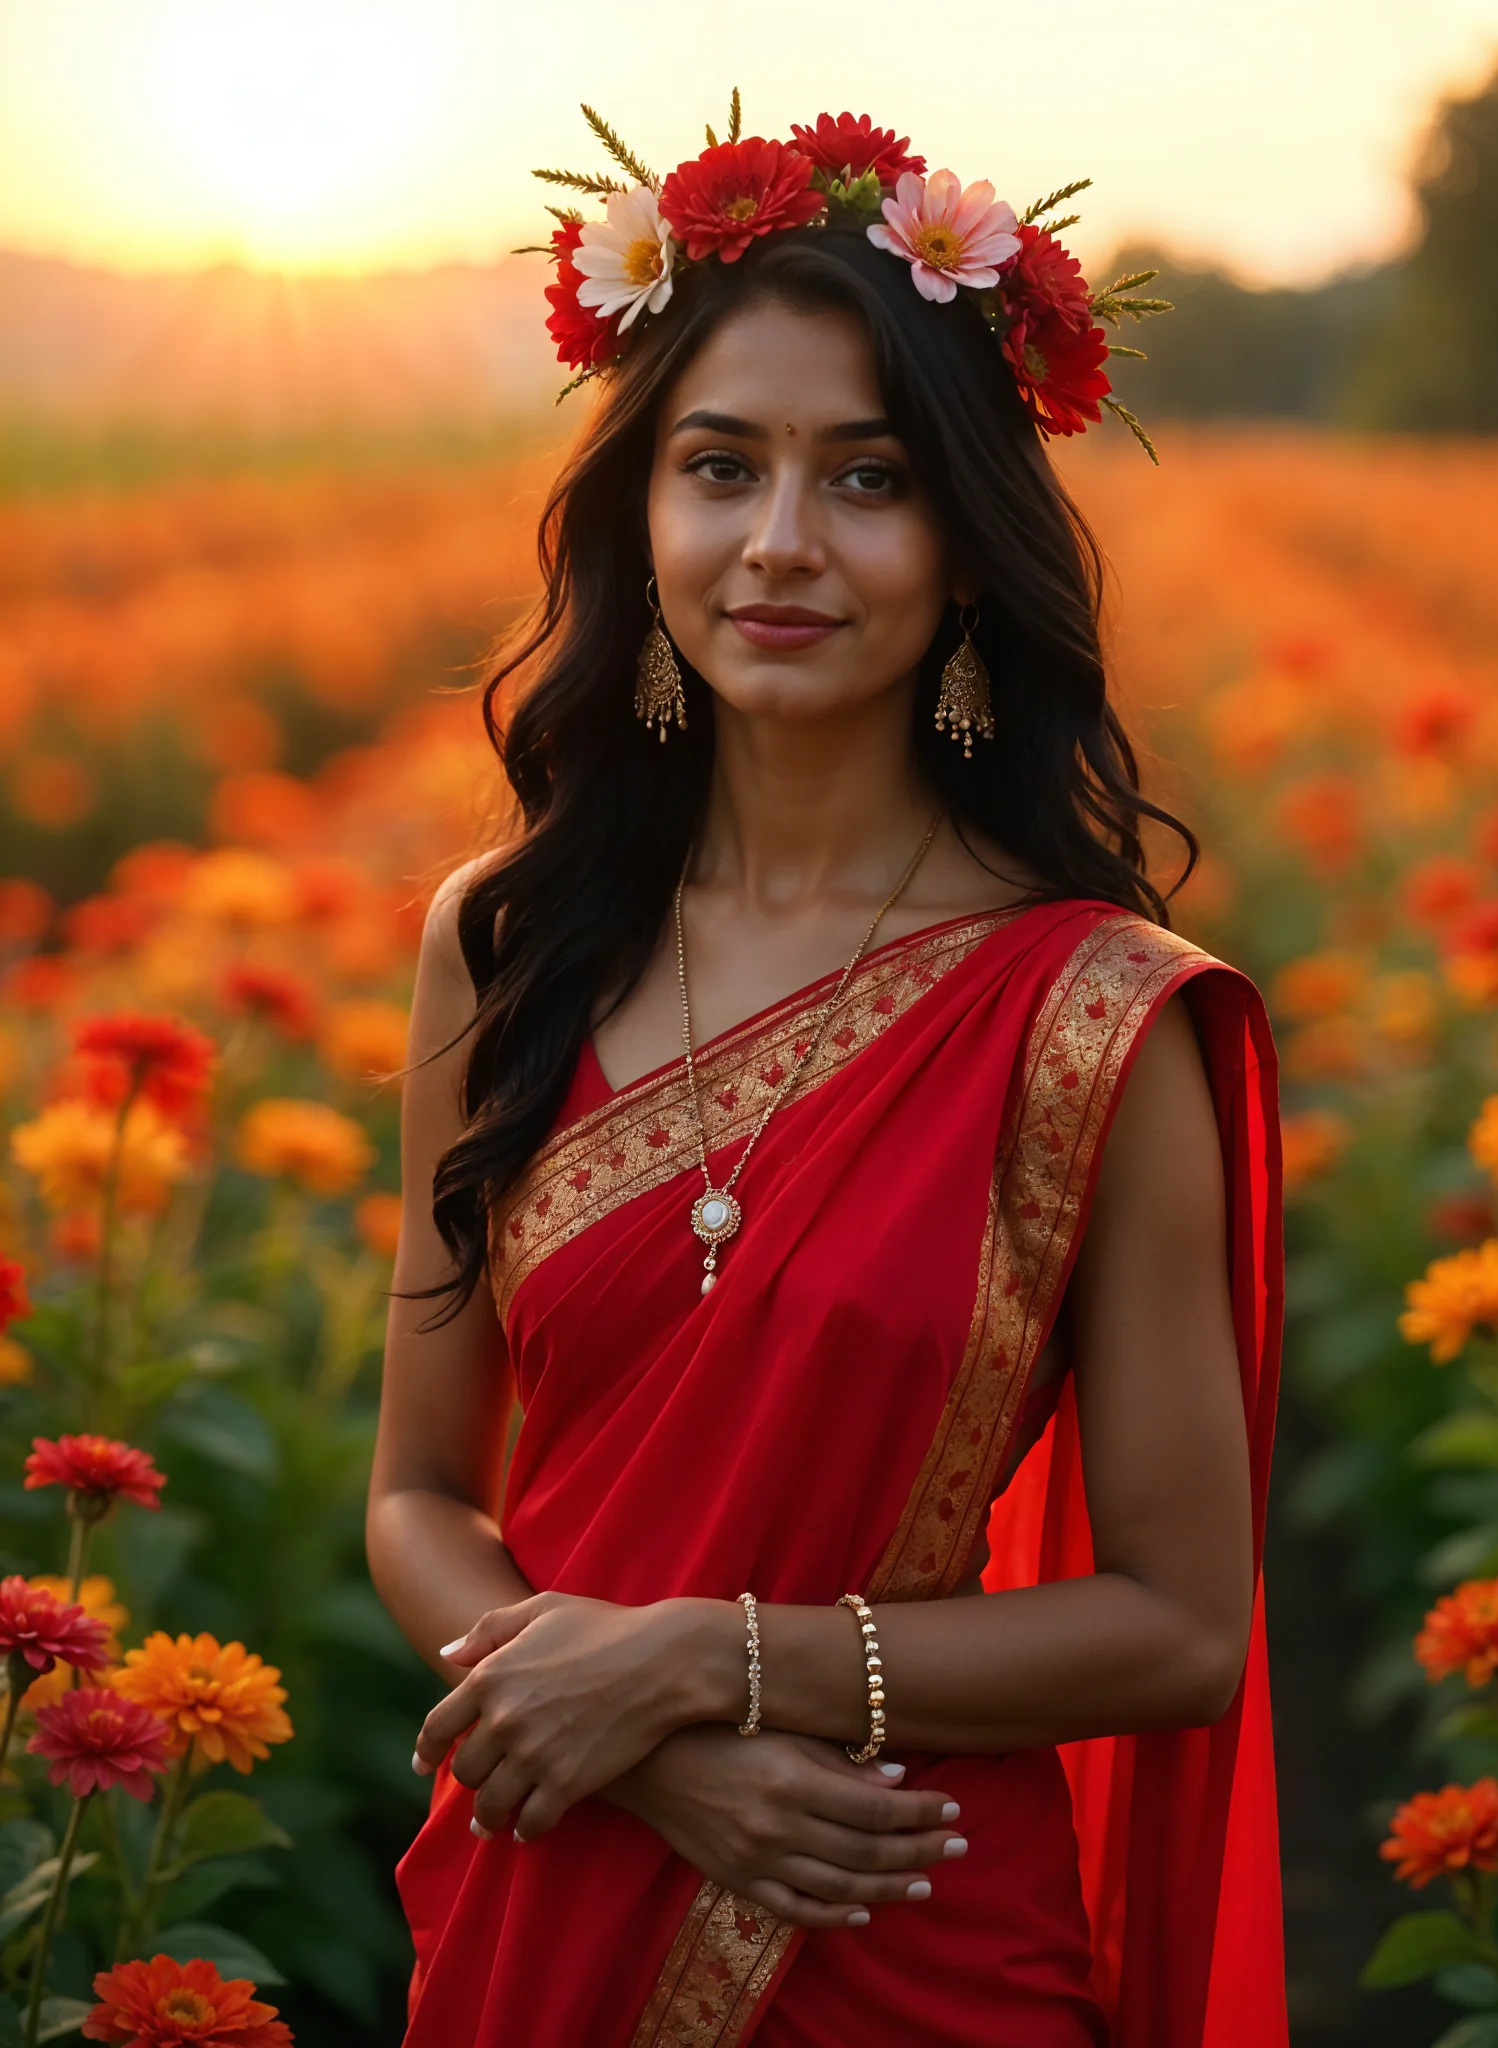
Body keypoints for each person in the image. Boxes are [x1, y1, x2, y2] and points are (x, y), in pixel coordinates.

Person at [366, 104, 1287, 2048]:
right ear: (644, 515)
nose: (778, 542)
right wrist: (626, 1746)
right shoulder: (506, 943)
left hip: (898, 1915)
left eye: (865, 478)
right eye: (720, 468)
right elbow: (422, 1492)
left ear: (964, 548)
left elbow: (1183, 1626)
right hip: (546, 1894)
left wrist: (702, 1666)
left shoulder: (1090, 1019)